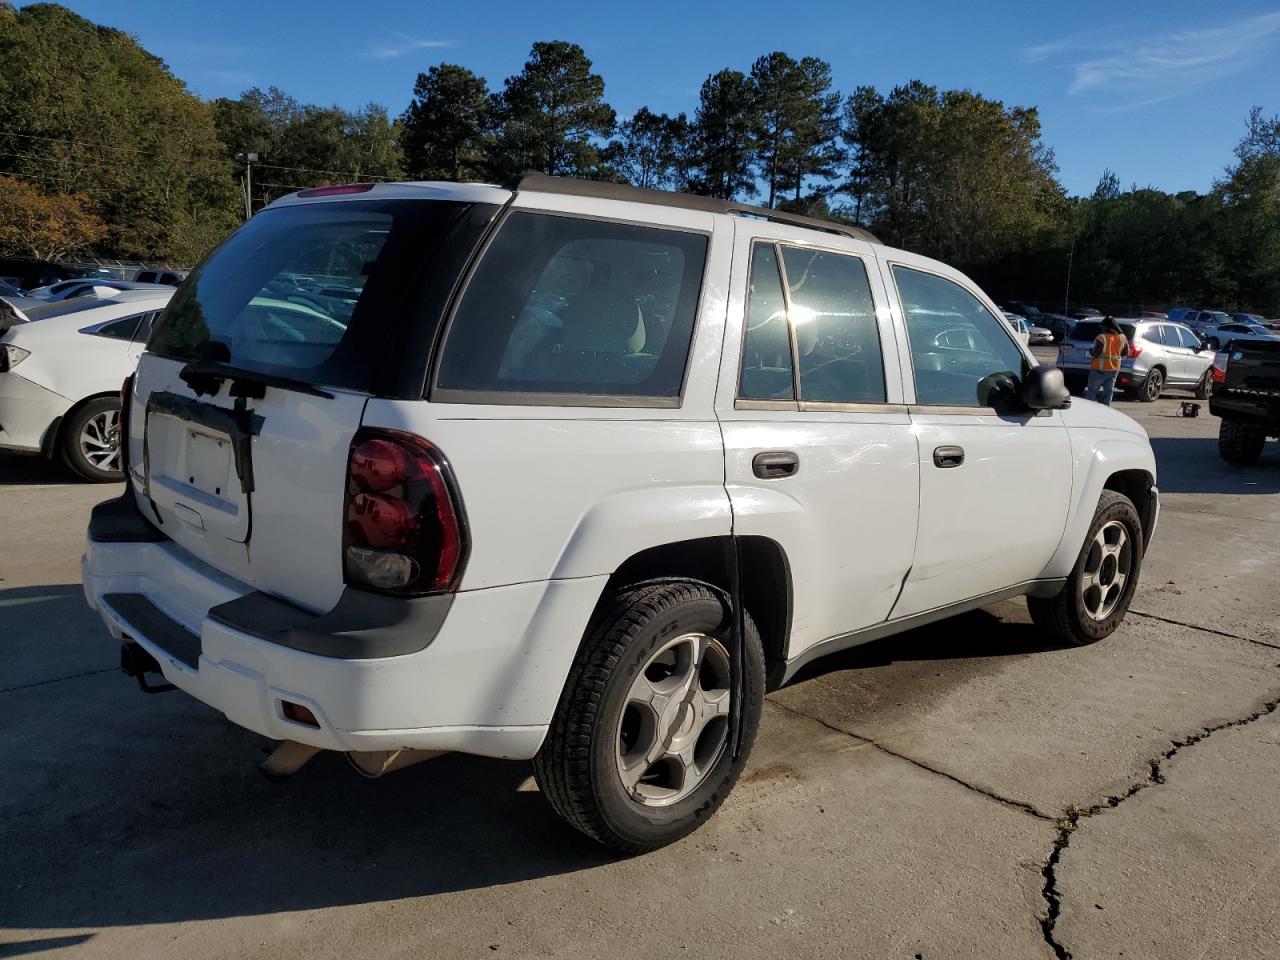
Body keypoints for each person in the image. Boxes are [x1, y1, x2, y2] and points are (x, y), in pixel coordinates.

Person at [1086, 316, 1130, 405]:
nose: (1101, 328)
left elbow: (1096, 353)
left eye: (1102, 327)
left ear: (1107, 327)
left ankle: (1088, 410)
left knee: (1092, 392)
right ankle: (1106, 411)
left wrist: (1090, 351)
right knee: (1108, 392)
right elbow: (1125, 353)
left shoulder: (1102, 337)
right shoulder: (1122, 337)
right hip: (1114, 370)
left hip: (1099, 369)